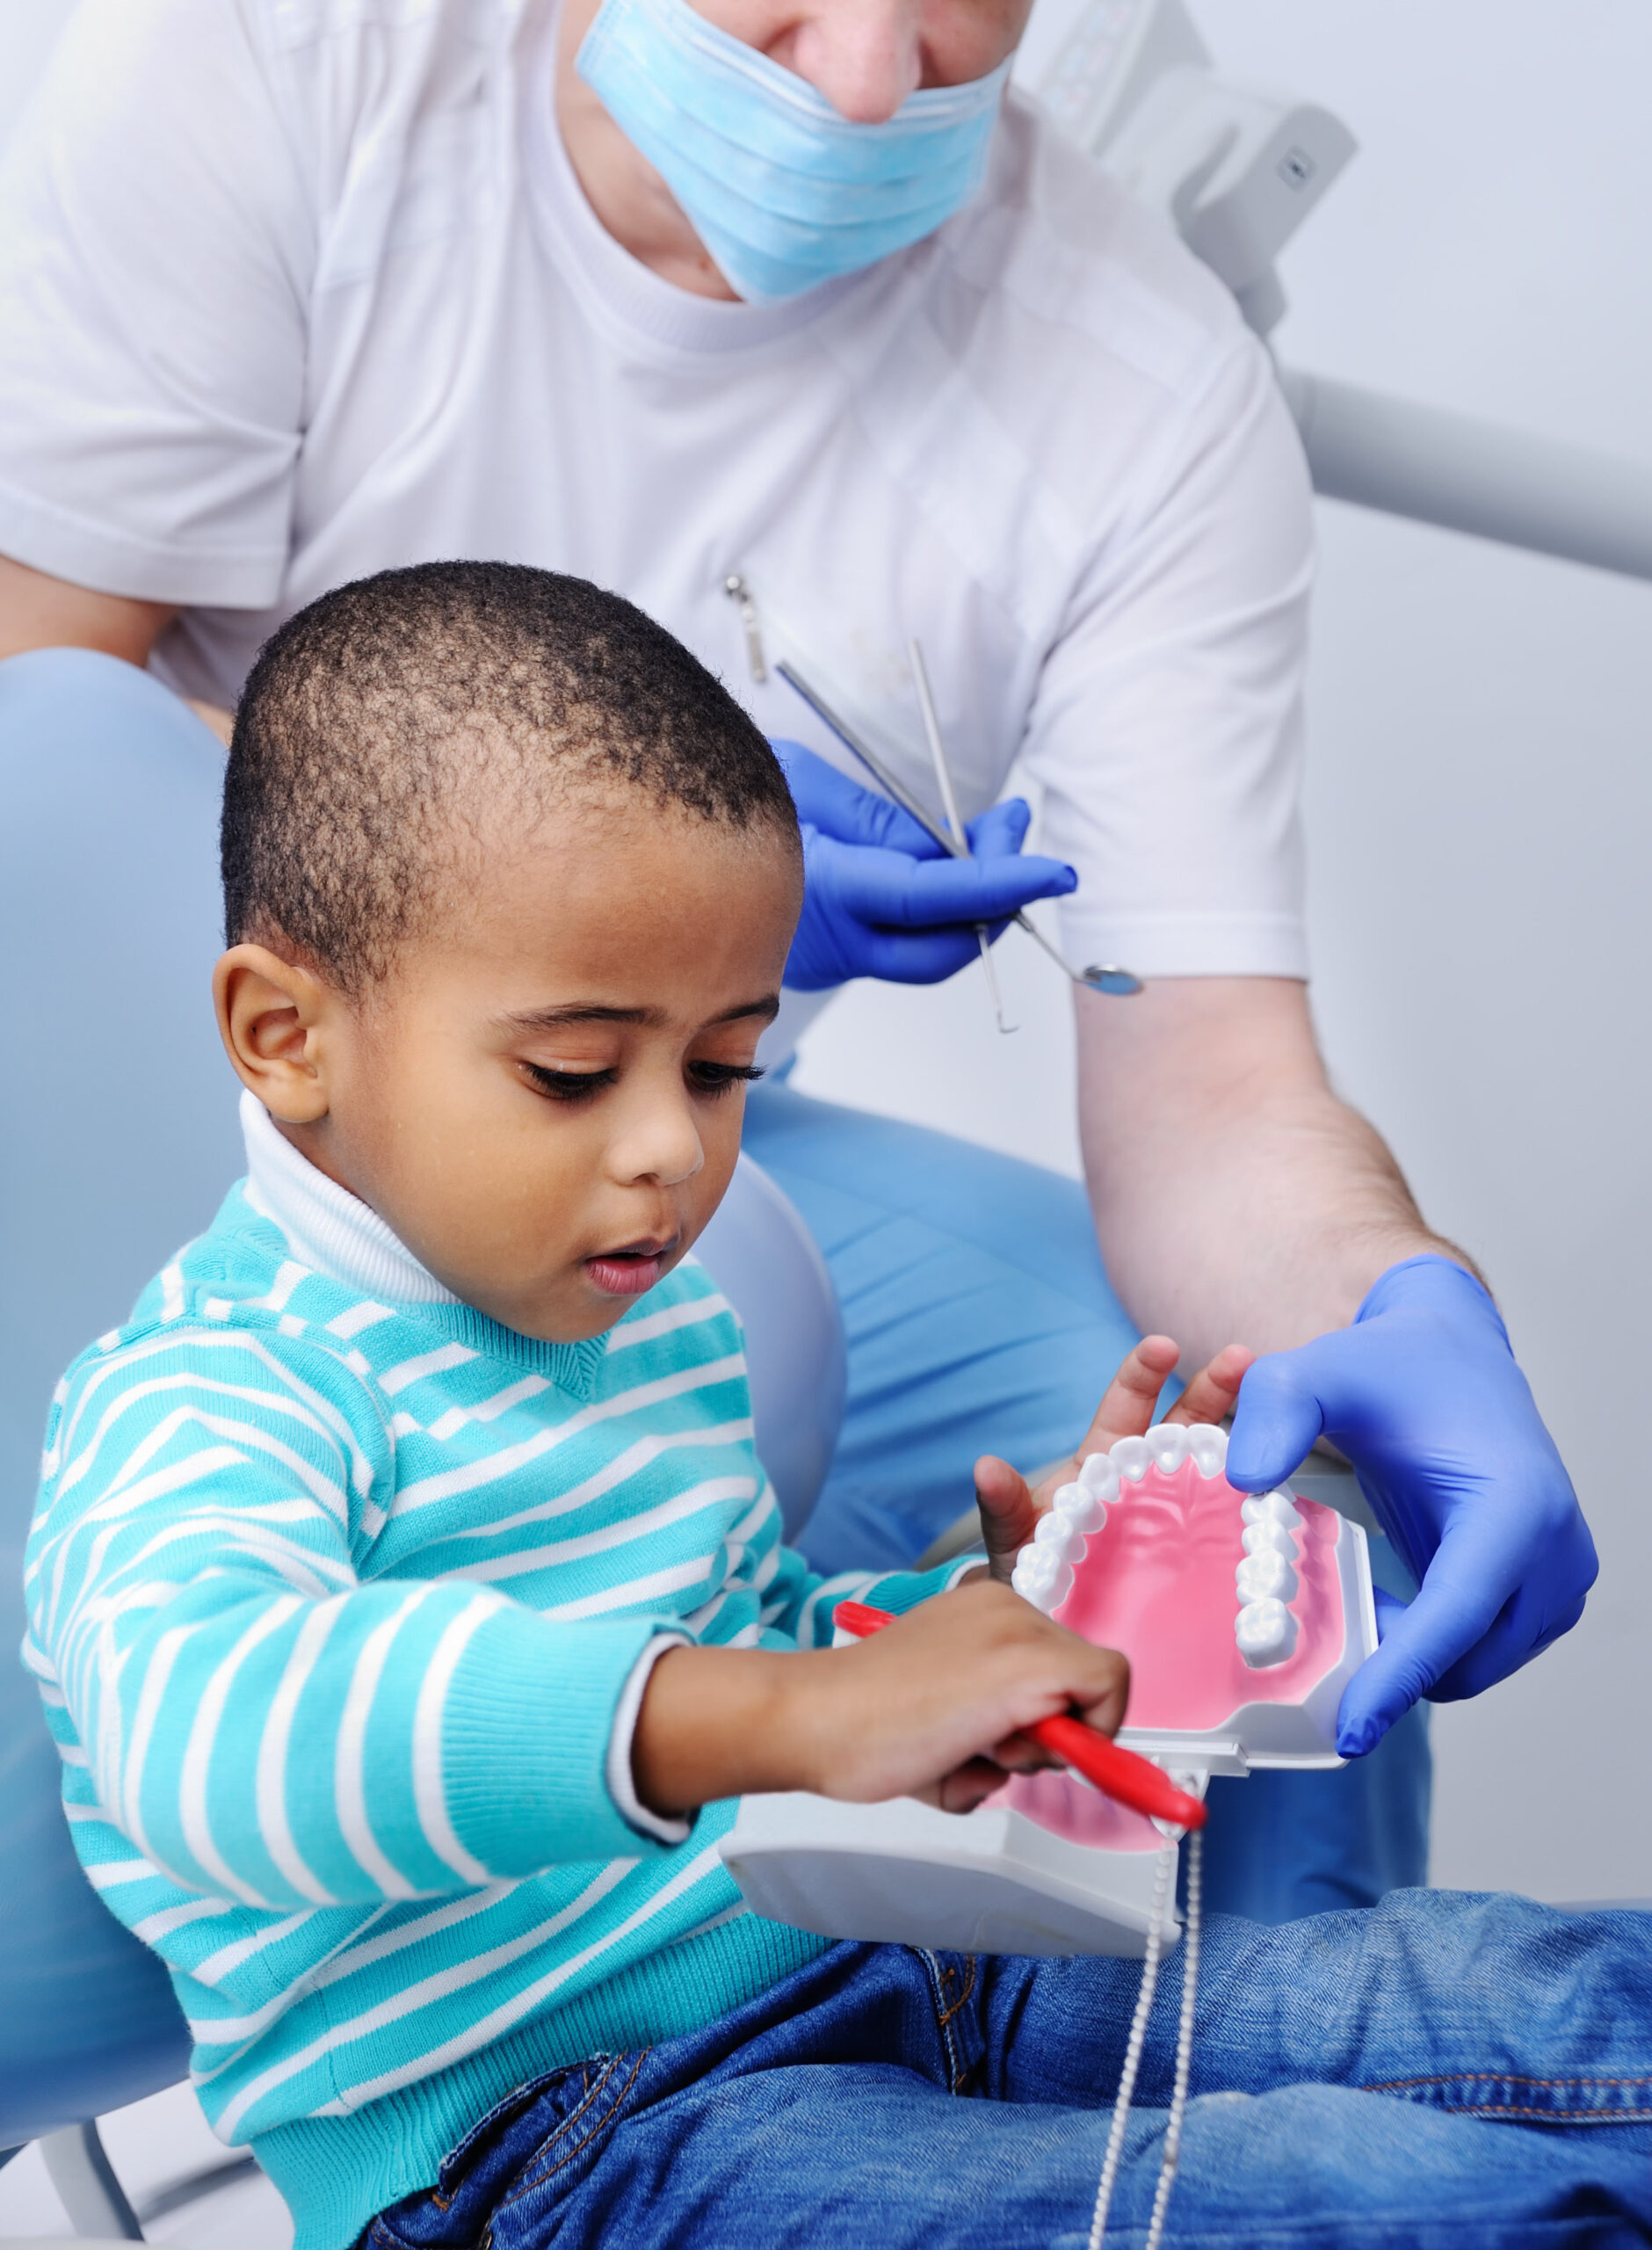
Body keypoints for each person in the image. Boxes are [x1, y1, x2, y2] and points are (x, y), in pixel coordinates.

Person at [0, 0, 1596, 1920]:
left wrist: (1394, 1303)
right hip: (133, 1074)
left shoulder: (1134, 393)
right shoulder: (268, 61)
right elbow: (34, 727)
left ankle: (1230, 2126)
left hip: (617, 1145)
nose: (859, 76)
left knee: (1227, 1484)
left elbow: (1214, 1087)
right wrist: (532, 907)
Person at [24, 564, 1652, 2250]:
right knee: (1409, 2212)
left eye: (722, 1065)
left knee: (1571, 2008)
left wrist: (974, 1627)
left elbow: (768, 1640)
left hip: (892, 1969)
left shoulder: (655, 1330)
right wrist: (775, 1713)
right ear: (285, 1035)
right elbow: (201, 1737)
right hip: (556, 2149)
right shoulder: (212, 1395)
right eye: (576, 1072)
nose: (671, 1146)